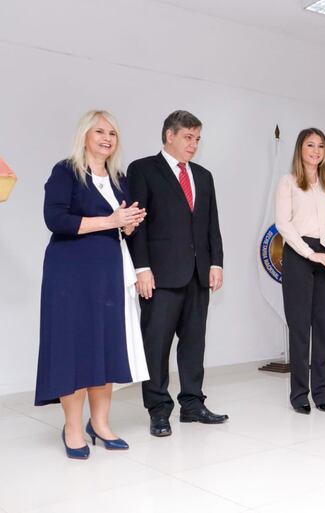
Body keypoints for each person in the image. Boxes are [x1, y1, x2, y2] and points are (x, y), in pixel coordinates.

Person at [36, 110, 149, 459]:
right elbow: (55, 219)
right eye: (99, 131)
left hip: (108, 272)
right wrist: (111, 220)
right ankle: (72, 428)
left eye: (113, 133)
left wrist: (129, 224)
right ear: (84, 135)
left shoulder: (118, 178)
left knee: (104, 344)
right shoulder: (65, 171)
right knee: (73, 347)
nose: (107, 138)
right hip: (70, 271)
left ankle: (99, 424)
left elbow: (121, 223)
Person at [128, 110, 227, 436]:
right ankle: (158, 409)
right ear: (169, 135)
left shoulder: (204, 175)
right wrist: (141, 268)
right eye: (188, 137)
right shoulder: (142, 169)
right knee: (156, 345)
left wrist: (216, 263)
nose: (194, 145)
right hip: (160, 276)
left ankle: (193, 404)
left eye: (197, 139)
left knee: (194, 343)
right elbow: (136, 226)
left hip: (198, 274)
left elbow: (211, 224)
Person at [275, 128, 325, 414]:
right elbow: (283, 224)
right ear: (300, 149)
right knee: (300, 327)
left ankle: (322, 391)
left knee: (323, 328)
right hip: (299, 254)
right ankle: (300, 394)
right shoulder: (288, 182)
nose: (316, 151)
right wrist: (309, 253)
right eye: (310, 145)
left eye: (321, 146)